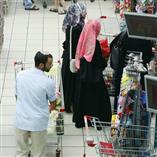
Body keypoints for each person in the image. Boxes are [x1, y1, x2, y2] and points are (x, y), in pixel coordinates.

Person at [15, 51, 56, 157]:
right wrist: (47, 111)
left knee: (21, 152)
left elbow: (17, 96)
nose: (51, 66)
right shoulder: (48, 82)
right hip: (38, 122)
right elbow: (53, 103)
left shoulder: (20, 75)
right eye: (49, 64)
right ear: (41, 65)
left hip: (21, 120)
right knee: (38, 153)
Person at [73, 19, 112, 128]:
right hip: (94, 78)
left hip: (82, 75)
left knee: (82, 99)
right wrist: (105, 61)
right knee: (97, 101)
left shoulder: (83, 38)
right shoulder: (95, 44)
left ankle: (81, 121)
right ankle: (96, 121)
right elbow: (99, 62)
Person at [111, 30, 153, 111]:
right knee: (137, 97)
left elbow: (114, 47)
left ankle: (117, 114)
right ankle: (136, 115)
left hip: (122, 72)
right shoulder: (145, 38)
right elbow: (148, 57)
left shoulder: (124, 34)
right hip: (139, 73)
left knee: (120, 97)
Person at [61, 2, 87, 113]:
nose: (85, 13)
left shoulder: (69, 24)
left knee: (67, 81)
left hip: (68, 57)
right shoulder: (78, 27)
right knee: (73, 82)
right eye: (84, 11)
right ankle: (73, 105)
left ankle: (67, 103)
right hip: (74, 58)